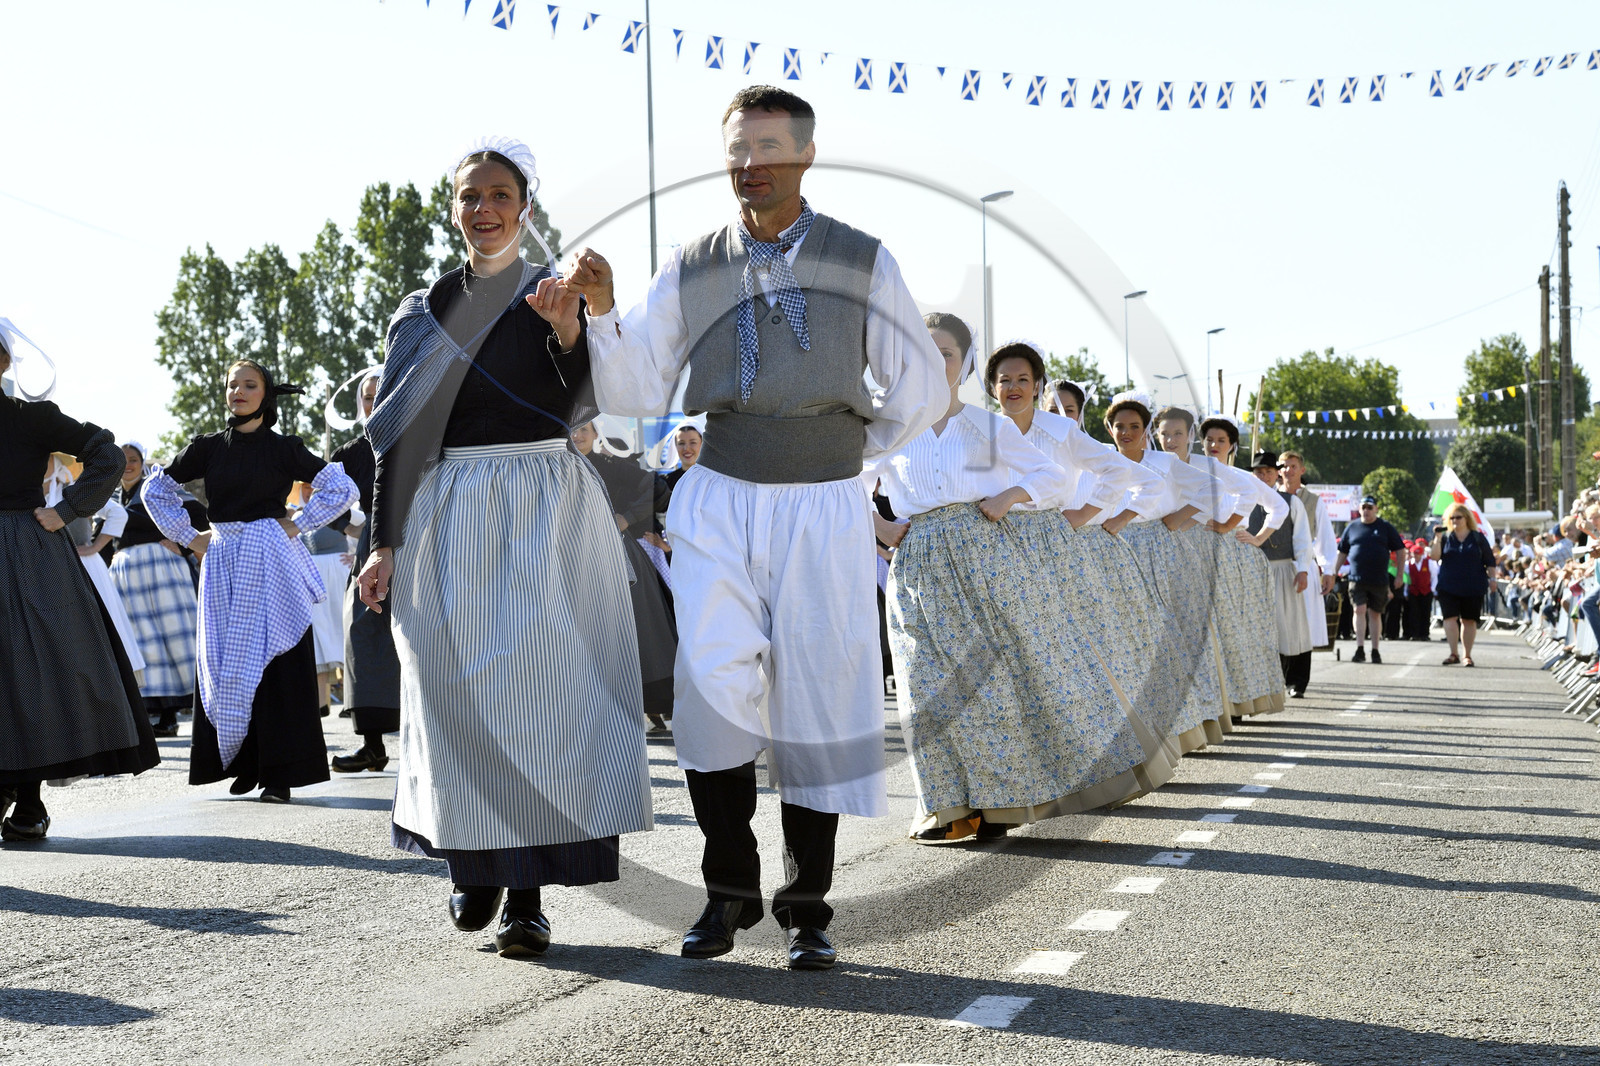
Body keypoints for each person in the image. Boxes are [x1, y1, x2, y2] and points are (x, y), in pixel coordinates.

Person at [554, 86, 946, 970]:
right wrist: (605, 311)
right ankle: (727, 890)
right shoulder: (693, 263)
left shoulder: (862, 258)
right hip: (721, 492)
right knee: (712, 685)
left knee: (817, 692)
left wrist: (845, 449)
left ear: (805, 155)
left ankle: (808, 908)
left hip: (824, 498)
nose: (750, 165)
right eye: (737, 150)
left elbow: (920, 385)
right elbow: (638, 390)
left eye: (768, 148)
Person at [359, 137, 652, 959]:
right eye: (470, 195)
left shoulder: (557, 293)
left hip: (545, 504)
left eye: (499, 194)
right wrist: (382, 545)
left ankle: (526, 900)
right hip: (450, 506)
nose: (483, 208)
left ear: (525, 206)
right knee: (450, 695)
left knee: (538, 702)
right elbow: (399, 441)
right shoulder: (422, 313)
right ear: (453, 209)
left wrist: (567, 334)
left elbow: (591, 410)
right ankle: (471, 862)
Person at [872, 322, 1154, 845]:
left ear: (965, 363)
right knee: (925, 686)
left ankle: (998, 805)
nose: (934, 361)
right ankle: (947, 808)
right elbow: (843, 482)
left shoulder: (988, 426)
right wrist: (880, 526)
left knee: (991, 685)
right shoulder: (890, 428)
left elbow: (1049, 476)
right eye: (922, 351)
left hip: (986, 557)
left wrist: (1010, 496)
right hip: (917, 566)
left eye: (946, 353)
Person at [143, 360, 358, 804]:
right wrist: (190, 537)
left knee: (277, 659)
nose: (238, 392)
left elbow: (342, 488)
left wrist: (299, 524)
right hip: (222, 558)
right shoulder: (206, 447)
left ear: (266, 393)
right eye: (232, 385)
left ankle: (279, 774)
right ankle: (243, 761)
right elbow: (154, 489)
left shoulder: (285, 448)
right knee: (225, 657)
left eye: (249, 384)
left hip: (271, 557)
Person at [1, 335, 159, 841]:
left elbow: (107, 453)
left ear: (3, 361)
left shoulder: (31, 417)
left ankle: (28, 800)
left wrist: (68, 509)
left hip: (25, 550)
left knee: (31, 670)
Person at [572, 420, 678, 733]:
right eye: (573, 429)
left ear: (596, 434)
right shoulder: (555, 467)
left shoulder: (611, 467)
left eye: (585, 429)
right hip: (570, 558)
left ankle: (640, 708)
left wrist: (627, 517)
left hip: (615, 558)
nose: (578, 435)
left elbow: (658, 489)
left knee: (632, 632)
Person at [329, 369, 402, 772]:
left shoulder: (417, 437)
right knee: (364, 632)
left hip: (419, 539)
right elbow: (321, 494)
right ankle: (373, 745)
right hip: (371, 547)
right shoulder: (351, 452)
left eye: (382, 392)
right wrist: (351, 527)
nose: (375, 402)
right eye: (369, 396)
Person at [110, 440, 203, 737]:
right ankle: (152, 715)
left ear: (143, 462)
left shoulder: (158, 489)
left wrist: (184, 545)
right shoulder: (111, 497)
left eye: (133, 459)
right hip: (126, 576)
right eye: (122, 459)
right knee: (140, 642)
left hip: (161, 569)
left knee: (172, 636)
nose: (128, 464)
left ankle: (173, 714)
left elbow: (199, 514)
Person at [1245, 450, 1315, 697]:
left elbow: (1303, 539)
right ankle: (1263, 681)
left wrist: (1303, 570)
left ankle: (1296, 680)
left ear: (1276, 474)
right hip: (1251, 571)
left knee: (1290, 625)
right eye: (1259, 472)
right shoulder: (1243, 501)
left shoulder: (1291, 502)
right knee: (1257, 627)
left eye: (1268, 472)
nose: (1263, 476)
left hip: (1283, 568)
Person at [1276, 451, 1337, 655]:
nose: (1288, 470)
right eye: (1284, 466)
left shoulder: (1313, 501)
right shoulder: (1270, 497)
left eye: (1293, 466)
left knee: (1305, 622)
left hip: (1304, 566)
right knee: (1280, 621)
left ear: (1302, 470)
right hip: (1277, 565)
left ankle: (1300, 670)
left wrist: (1328, 570)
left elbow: (1325, 537)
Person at [1335, 495, 1406, 664]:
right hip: (1356, 578)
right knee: (1359, 610)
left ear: (1376, 509)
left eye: (1369, 507)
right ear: (1359, 509)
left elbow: (1400, 550)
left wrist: (1399, 575)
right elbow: (1342, 552)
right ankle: (1359, 648)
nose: (1366, 511)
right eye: (1363, 507)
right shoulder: (1352, 527)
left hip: (1379, 579)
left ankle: (1375, 650)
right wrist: (1333, 573)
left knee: (1375, 613)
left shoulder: (1385, 527)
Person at [1431, 502, 1497, 666]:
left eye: (1458, 517)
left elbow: (1489, 560)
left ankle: (1467, 655)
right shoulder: (1445, 538)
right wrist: (1437, 539)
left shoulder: (1477, 538)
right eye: (1451, 518)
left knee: (1469, 620)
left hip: (1473, 585)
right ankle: (1453, 653)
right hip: (1448, 585)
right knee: (1449, 618)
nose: (1454, 521)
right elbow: (1434, 557)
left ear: (1466, 518)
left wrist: (1493, 579)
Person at [1404, 539, 1435, 641]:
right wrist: (1405, 592)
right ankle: (1415, 634)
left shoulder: (1429, 562)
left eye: (1418, 554)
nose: (1416, 556)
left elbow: (1434, 577)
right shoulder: (1408, 564)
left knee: (1425, 613)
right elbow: (1406, 579)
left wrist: (1432, 589)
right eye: (1414, 554)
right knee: (1414, 613)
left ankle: (1425, 634)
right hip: (1413, 591)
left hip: (1426, 591)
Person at [665, 424, 702, 491]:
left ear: (702, 444)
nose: (686, 448)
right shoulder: (667, 482)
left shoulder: (713, 480)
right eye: (681, 443)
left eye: (693, 442)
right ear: (675, 446)